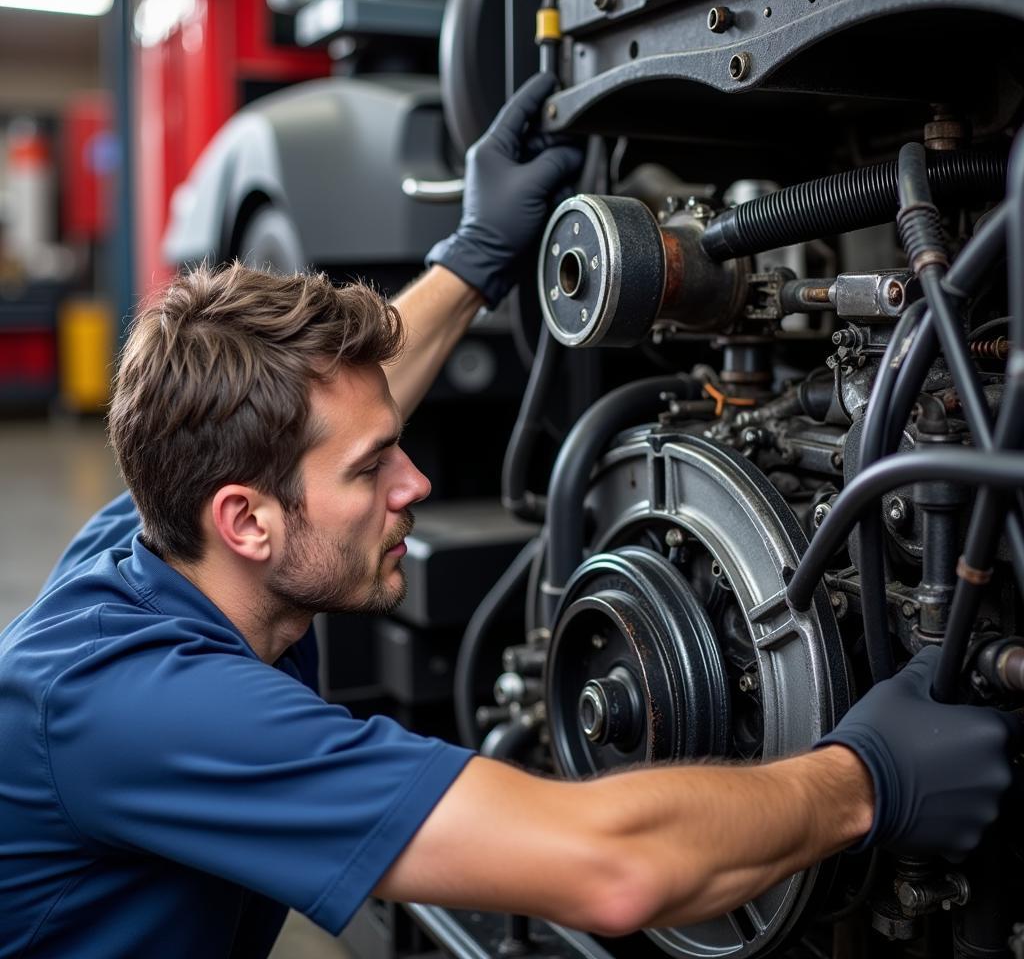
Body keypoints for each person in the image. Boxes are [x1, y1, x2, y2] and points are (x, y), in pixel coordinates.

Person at [0, 73, 1014, 959]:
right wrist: (863, 780)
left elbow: (336, 418)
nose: (414, 486)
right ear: (246, 522)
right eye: (372, 472)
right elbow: (608, 867)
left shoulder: (166, 533)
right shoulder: (155, 710)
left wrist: (475, 251)